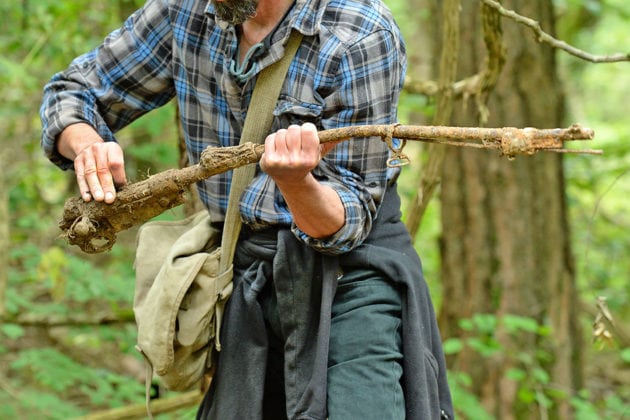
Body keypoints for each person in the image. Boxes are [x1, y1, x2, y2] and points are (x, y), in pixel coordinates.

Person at [40, 0, 454, 418]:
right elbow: (72, 91)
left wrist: (296, 183)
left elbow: (349, 220)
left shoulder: (360, 31)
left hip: (350, 277)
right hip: (246, 277)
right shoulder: (182, 10)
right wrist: (86, 143)